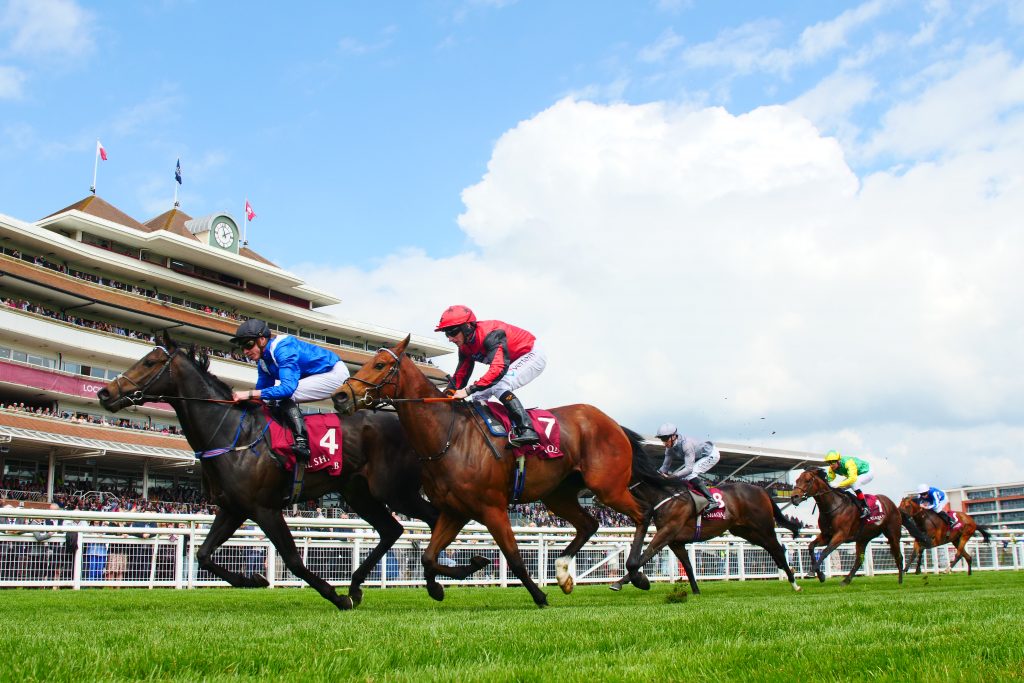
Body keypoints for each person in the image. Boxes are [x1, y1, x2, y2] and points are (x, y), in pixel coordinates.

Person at [229, 319, 349, 461]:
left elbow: (287, 389)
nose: (245, 351)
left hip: (333, 373)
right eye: (242, 347)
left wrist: (248, 394)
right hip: (315, 375)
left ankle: (302, 443)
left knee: (283, 394)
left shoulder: (282, 348)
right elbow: (262, 394)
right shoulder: (263, 363)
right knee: (270, 398)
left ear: (262, 340)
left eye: (248, 344)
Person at [435, 305, 547, 447]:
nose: (450, 338)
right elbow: (461, 375)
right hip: (510, 363)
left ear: (467, 327)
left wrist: (468, 390)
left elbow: (498, 369)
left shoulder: (492, 334)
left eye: (453, 332)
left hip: (531, 355)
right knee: (478, 396)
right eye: (446, 333)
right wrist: (448, 393)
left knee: (500, 385)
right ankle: (491, 433)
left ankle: (527, 429)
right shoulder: (464, 346)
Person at [655, 423, 721, 511]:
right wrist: (656, 475)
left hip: (711, 454)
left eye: (665, 439)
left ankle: (712, 501)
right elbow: (665, 467)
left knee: (690, 475)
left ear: (674, 436)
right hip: (699, 457)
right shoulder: (669, 447)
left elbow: (689, 469)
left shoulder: (686, 445)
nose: (664, 442)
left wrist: (672, 477)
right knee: (683, 477)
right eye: (662, 439)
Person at [824, 450, 873, 519]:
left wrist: (838, 484)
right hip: (856, 475)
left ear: (838, 460)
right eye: (829, 463)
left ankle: (866, 508)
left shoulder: (848, 462)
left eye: (832, 462)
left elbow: (852, 479)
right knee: (839, 489)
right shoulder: (832, 468)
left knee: (853, 483)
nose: (831, 465)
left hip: (866, 472)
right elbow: (830, 478)